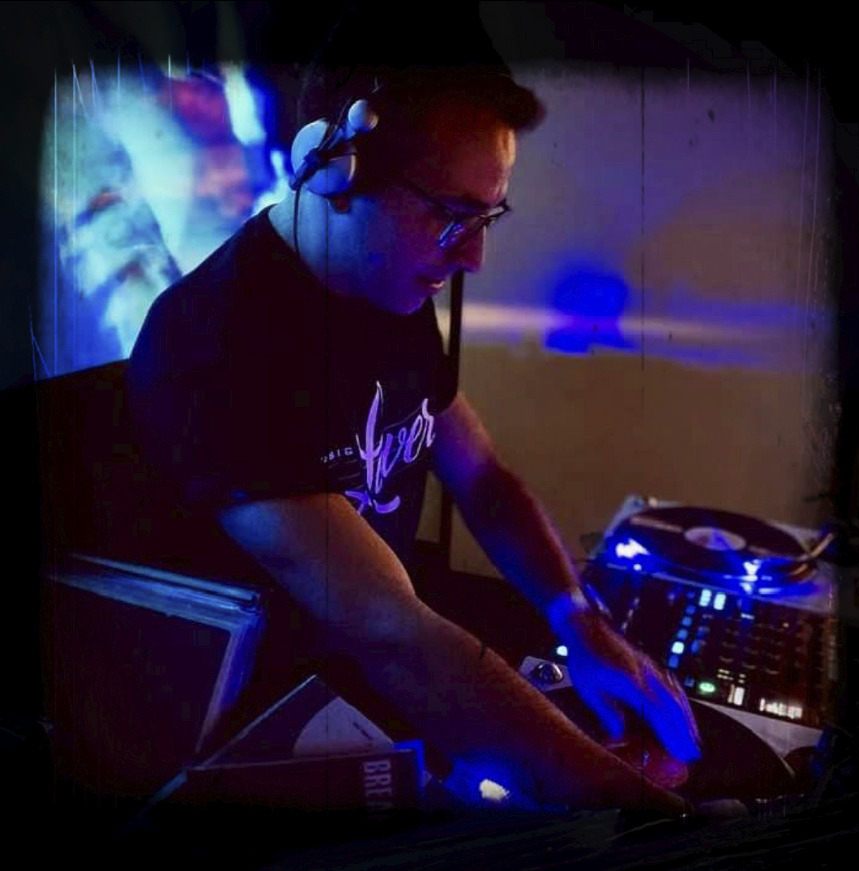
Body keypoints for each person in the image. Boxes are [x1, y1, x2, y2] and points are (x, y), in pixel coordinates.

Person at [126, 48, 700, 813]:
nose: (474, 256)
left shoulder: (387, 286)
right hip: (263, 745)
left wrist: (578, 618)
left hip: (383, 682)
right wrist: (652, 818)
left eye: (487, 217)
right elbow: (389, 633)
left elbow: (482, 475)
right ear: (332, 169)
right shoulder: (212, 349)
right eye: (451, 214)